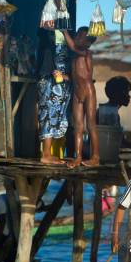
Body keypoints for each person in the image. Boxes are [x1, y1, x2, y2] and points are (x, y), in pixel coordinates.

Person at [63, 28, 99, 168]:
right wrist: (63, 77)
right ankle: (77, 157)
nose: (77, 38)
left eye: (80, 36)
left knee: (91, 125)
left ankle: (95, 157)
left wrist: (64, 32)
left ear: (88, 42)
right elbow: (74, 76)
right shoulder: (74, 57)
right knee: (78, 127)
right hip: (77, 93)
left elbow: (71, 46)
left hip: (88, 92)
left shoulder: (86, 53)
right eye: (76, 35)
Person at [37, 27, 72, 164]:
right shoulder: (50, 49)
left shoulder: (55, 49)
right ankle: (46, 154)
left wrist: (65, 77)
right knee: (49, 116)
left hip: (57, 85)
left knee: (52, 117)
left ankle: (48, 154)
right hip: (51, 85)